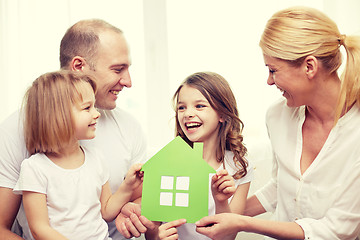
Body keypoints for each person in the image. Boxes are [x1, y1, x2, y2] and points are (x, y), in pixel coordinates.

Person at [195, 6, 360, 240]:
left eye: (273, 70)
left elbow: (337, 229)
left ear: (309, 67)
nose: (269, 81)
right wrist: (215, 213)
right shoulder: (278, 116)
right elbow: (280, 187)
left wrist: (242, 223)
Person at [0, 19, 151, 240]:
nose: (128, 82)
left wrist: (128, 207)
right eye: (118, 69)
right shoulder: (18, 134)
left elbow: (118, 204)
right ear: (79, 66)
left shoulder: (124, 131)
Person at [13, 70, 144, 239]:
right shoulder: (34, 168)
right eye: (87, 108)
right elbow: (39, 229)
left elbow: (106, 211)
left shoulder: (96, 158)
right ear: (59, 116)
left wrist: (128, 187)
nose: (96, 113)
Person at [144, 72, 253, 240]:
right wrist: (156, 237)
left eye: (199, 106)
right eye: (181, 107)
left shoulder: (238, 167)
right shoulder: (167, 161)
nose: (187, 113)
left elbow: (228, 237)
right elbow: (152, 230)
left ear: (223, 115)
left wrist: (221, 201)